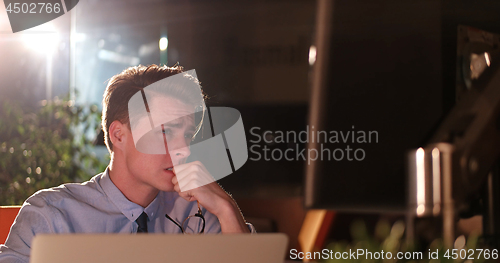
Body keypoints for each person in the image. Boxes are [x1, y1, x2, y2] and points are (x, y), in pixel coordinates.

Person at [0, 64, 253, 263]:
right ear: (118, 135)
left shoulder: (197, 214)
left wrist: (225, 207)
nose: (184, 149)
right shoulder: (52, 215)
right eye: (166, 132)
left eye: (187, 135)